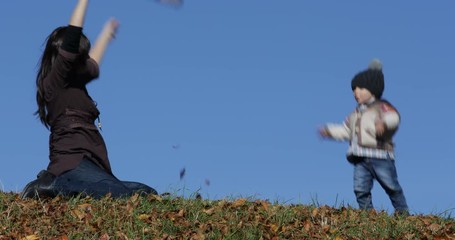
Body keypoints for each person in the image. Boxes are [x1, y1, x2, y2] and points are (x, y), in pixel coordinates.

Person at [21, 0, 157, 199]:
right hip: (71, 162)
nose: (84, 62)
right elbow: (73, 33)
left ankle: (63, 185)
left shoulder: (75, 80)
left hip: (93, 164)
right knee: (120, 195)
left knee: (145, 192)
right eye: (79, 56)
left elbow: (94, 63)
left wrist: (107, 33)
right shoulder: (55, 81)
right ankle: (49, 185)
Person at [318, 59, 409, 215]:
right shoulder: (355, 114)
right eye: (354, 89)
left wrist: (384, 124)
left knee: (391, 185)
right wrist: (330, 131)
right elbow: (346, 130)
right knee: (360, 188)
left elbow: (394, 117)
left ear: (372, 89)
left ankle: (402, 212)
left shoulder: (381, 107)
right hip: (360, 156)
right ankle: (367, 214)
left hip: (380, 155)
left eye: (360, 88)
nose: (356, 92)